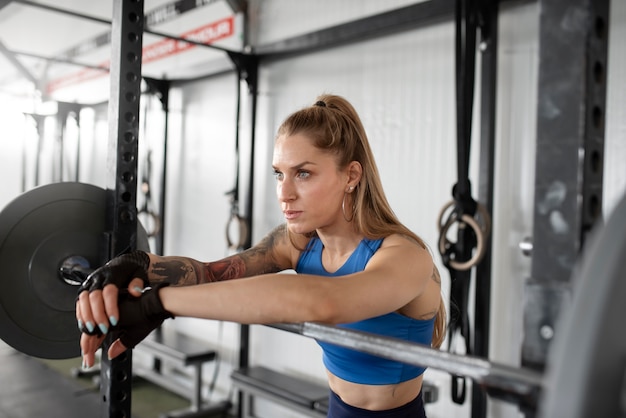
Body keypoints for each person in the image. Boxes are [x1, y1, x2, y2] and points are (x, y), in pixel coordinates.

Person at [76, 94, 446, 418]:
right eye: (278, 174)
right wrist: (136, 265)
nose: (284, 193)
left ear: (351, 175)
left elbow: (323, 302)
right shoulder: (298, 243)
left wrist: (158, 304)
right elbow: (211, 273)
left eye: (303, 173)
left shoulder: (405, 256)